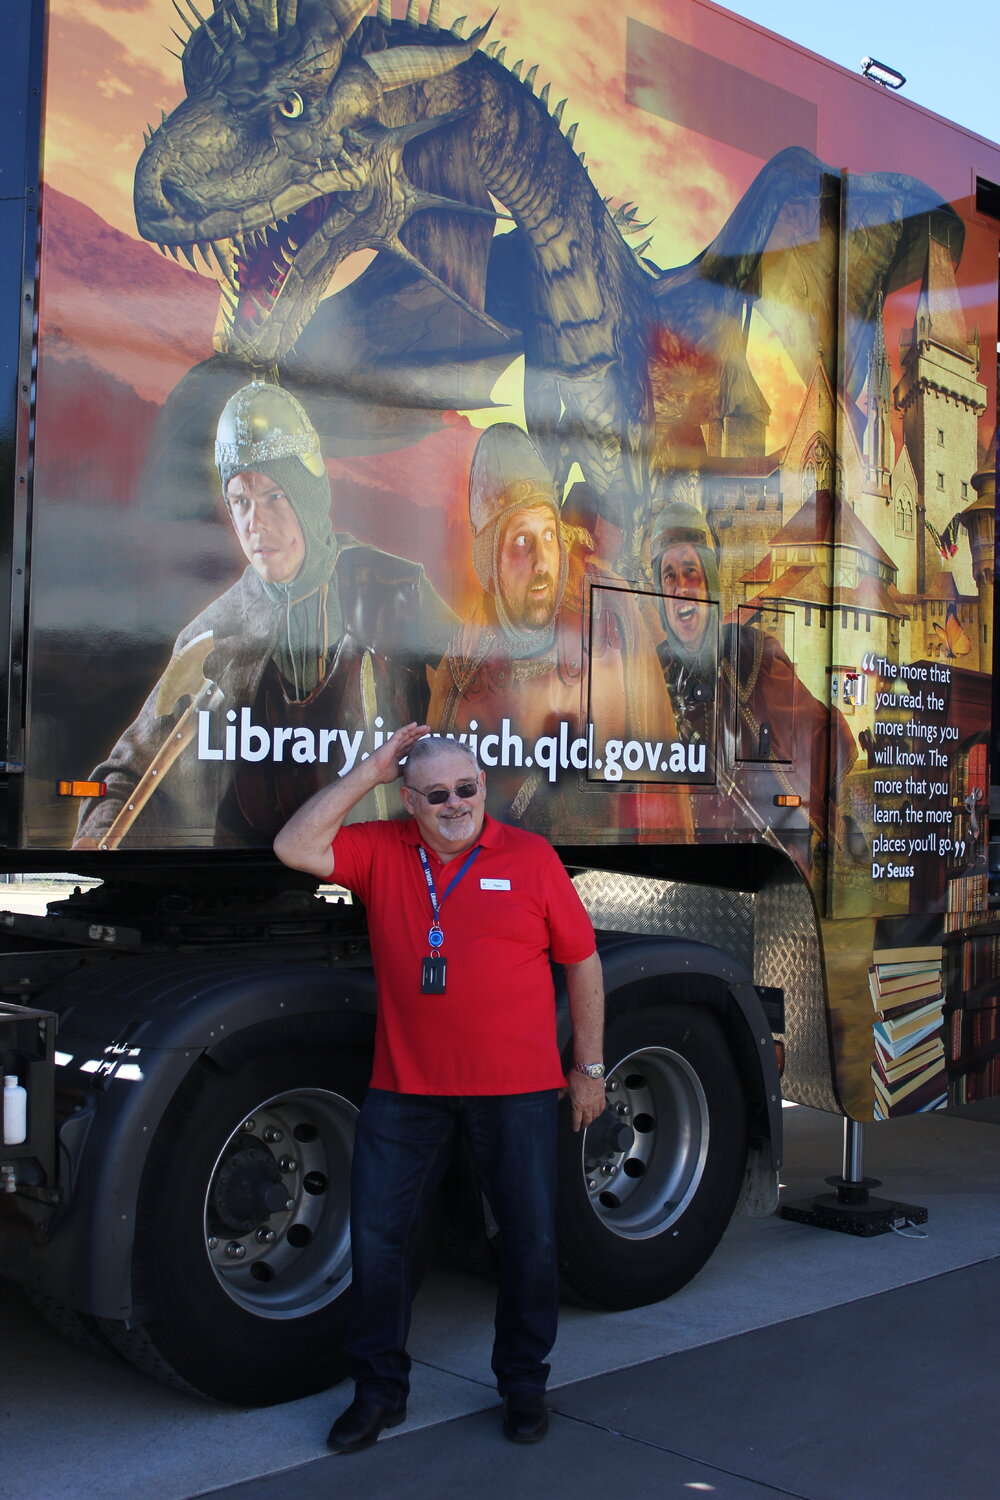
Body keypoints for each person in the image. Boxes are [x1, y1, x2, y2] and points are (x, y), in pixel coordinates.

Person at [273, 726, 607, 1452]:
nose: (457, 804)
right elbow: (295, 847)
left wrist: (589, 1068)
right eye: (437, 794)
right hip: (405, 1090)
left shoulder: (530, 857)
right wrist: (370, 768)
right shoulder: (379, 850)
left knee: (528, 1241)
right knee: (382, 1243)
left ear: (483, 785)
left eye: (468, 787)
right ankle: (379, 1394)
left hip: (518, 1092)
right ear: (409, 799)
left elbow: (582, 963)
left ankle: (524, 1385)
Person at [74, 382, 457, 848]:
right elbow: (126, 775)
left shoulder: (397, 589)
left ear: (309, 495)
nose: (257, 523)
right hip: (250, 878)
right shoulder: (212, 639)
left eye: (275, 495)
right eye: (241, 501)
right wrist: (99, 840)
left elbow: (486, 708)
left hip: (382, 867)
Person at [429, 423, 689, 834]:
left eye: (549, 535)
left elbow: (658, 779)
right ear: (490, 560)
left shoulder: (609, 610)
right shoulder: (463, 668)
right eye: (520, 541)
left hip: (610, 880)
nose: (541, 562)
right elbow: (439, 821)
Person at [650, 500, 856, 872]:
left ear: (709, 580)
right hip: (684, 864)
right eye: (669, 576)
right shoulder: (650, 670)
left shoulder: (752, 655)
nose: (680, 587)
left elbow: (823, 741)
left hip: (767, 865)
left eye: (690, 571)